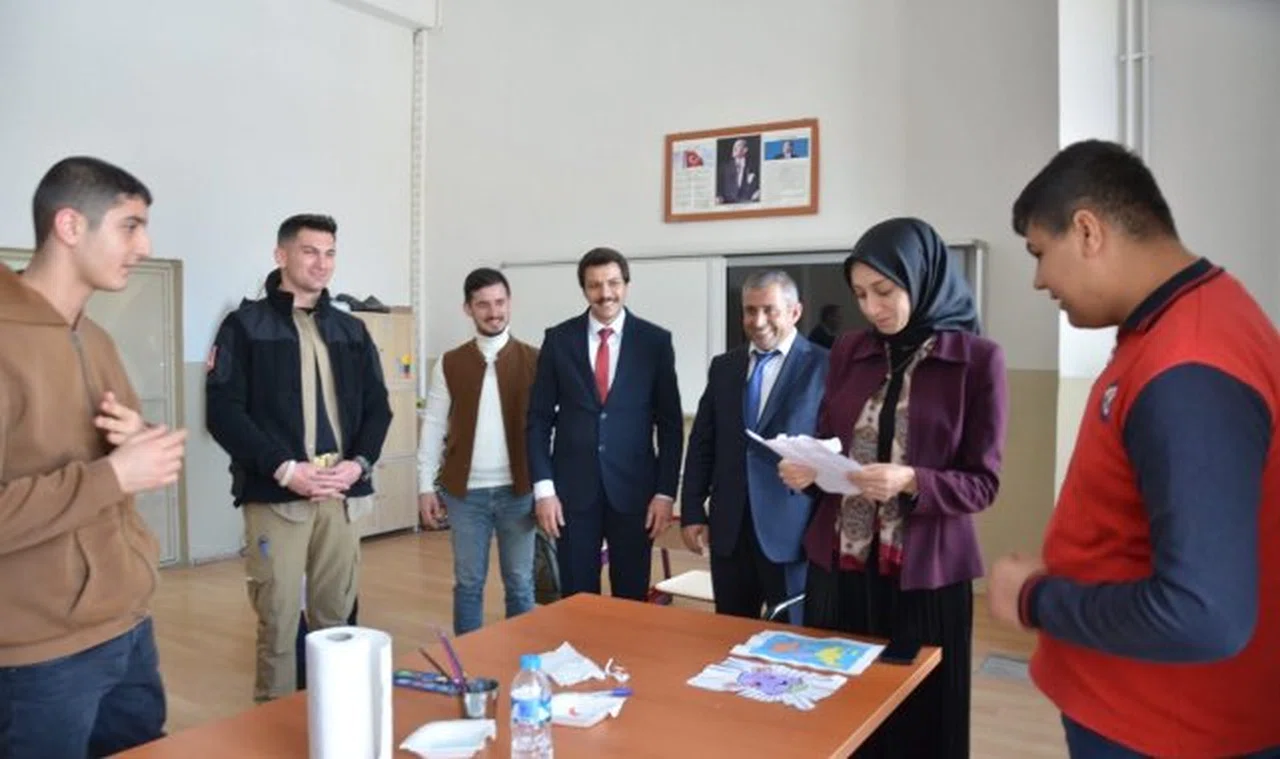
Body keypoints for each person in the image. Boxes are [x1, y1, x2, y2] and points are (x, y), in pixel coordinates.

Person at [988, 139, 1280, 759]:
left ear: (1087, 231)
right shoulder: (1178, 325)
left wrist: (1035, 598)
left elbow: (1204, 613)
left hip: (1170, 728)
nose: (1039, 280)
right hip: (1142, 711)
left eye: (1040, 254)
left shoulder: (1190, 365)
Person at [778, 217, 1008, 759]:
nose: (872, 307)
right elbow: (832, 441)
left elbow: (983, 483)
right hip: (841, 567)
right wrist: (810, 470)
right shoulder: (849, 350)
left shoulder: (977, 359)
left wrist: (912, 479)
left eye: (884, 290)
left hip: (924, 574)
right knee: (838, 709)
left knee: (922, 719)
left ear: (921, 278)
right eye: (860, 294)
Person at [0, 156, 188, 757]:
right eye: (130, 226)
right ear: (70, 226)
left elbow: (115, 468)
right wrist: (114, 473)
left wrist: (139, 440)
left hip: (128, 627)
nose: (144, 246)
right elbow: (106, 479)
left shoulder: (95, 336)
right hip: (37, 656)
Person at [205, 213, 392, 703]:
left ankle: (335, 719)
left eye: (329, 253)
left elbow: (379, 407)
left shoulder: (351, 329)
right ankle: (276, 721)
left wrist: (359, 463)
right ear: (281, 255)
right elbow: (223, 412)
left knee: (337, 620)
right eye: (310, 252)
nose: (321, 263)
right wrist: (284, 468)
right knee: (280, 618)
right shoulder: (244, 327)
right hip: (278, 495)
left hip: (341, 492)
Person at [526, 246, 683, 600]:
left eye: (613, 283)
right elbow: (538, 420)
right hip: (571, 494)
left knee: (630, 597)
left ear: (626, 284)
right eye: (594, 285)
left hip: (635, 494)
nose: (605, 293)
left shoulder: (654, 342)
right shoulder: (558, 339)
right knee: (577, 597)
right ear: (584, 289)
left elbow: (670, 426)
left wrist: (664, 493)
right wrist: (544, 491)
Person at [680, 270, 827, 623]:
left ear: (795, 312)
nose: (758, 321)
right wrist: (693, 511)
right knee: (729, 632)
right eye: (749, 310)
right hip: (729, 531)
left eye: (769, 310)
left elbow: (834, 448)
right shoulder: (724, 367)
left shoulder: (825, 366)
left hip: (791, 532)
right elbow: (702, 443)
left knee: (790, 637)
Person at [417, 267, 540, 634]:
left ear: (510, 303)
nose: (493, 312)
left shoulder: (535, 359)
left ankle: (522, 656)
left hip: (519, 491)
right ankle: (469, 661)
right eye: (483, 304)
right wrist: (425, 486)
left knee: (520, 583)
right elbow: (434, 425)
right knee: (469, 583)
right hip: (465, 494)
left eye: (500, 302)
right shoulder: (450, 362)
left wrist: (548, 488)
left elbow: (550, 429)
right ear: (467, 309)